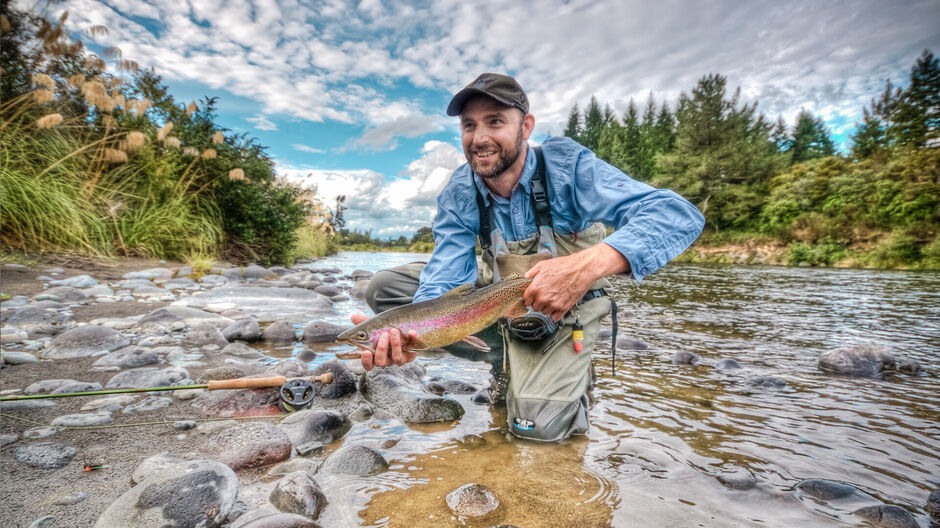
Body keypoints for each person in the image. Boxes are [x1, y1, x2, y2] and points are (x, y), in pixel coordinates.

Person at [351, 73, 704, 442]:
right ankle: (505, 361)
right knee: (386, 288)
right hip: (497, 301)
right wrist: (418, 335)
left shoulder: (567, 168)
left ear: (526, 127)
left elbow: (677, 214)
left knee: (536, 431)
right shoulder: (460, 190)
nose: (479, 138)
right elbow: (444, 279)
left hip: (566, 313)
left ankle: (565, 367)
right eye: (469, 125)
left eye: (495, 122)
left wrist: (588, 264)